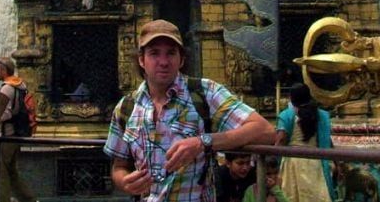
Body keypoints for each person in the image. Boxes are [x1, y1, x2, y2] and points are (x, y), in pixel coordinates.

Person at [104, 19, 275, 202]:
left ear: (181, 59)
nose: (163, 62)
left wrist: (203, 142)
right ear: (141, 60)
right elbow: (119, 167)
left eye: (171, 53)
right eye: (154, 53)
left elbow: (265, 131)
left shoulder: (205, 93)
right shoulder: (126, 107)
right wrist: (125, 181)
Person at [276, 84, 334, 202]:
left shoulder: (287, 115)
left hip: (293, 163)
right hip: (315, 160)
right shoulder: (320, 115)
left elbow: (280, 140)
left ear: (291, 98)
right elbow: (327, 139)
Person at [0, 56, 36, 202]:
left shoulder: (7, 88)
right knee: (11, 170)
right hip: (17, 133)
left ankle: (2, 199)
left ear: (4, 70)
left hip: (7, 135)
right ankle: (27, 198)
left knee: (1, 171)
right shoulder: (20, 85)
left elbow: (4, 113)